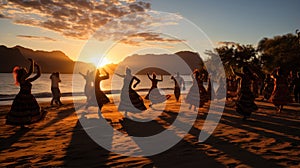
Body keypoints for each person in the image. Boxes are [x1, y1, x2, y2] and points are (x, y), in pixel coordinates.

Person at [6, 58, 47, 129]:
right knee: (23, 112)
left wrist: (38, 67)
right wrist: (32, 62)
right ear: (22, 74)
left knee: (28, 111)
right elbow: (30, 72)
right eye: (25, 72)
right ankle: (22, 125)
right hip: (22, 97)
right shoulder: (22, 80)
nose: (26, 72)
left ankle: (24, 125)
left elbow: (38, 75)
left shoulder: (27, 80)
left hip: (28, 96)